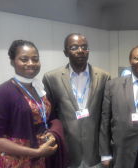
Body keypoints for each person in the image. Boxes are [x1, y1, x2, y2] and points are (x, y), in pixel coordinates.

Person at [43, 33, 110, 168]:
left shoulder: (104, 77)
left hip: (95, 154)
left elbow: (106, 117)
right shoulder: (51, 78)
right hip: (68, 154)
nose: (80, 51)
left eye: (84, 47)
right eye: (74, 47)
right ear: (65, 52)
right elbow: (51, 116)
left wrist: (106, 153)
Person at [0, 40, 66, 168]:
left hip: (41, 159)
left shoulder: (39, 88)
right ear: (13, 62)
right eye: (24, 59)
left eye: (35, 59)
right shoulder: (3, 92)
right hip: (15, 161)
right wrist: (36, 152)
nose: (31, 63)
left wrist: (52, 134)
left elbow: (50, 118)